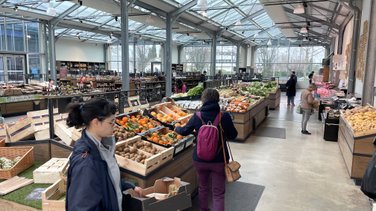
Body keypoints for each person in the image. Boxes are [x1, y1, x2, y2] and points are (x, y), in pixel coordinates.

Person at [65, 98, 142, 211]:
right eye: (111, 122)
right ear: (96, 122)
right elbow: (81, 206)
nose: (114, 125)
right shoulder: (87, 163)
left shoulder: (102, 147)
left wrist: (129, 186)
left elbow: (105, 178)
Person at [174, 88, 238, 211]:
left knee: (202, 188)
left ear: (203, 99)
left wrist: (176, 128)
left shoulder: (197, 116)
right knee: (218, 193)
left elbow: (184, 131)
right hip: (219, 160)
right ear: (217, 100)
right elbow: (233, 135)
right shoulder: (223, 116)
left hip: (199, 160)